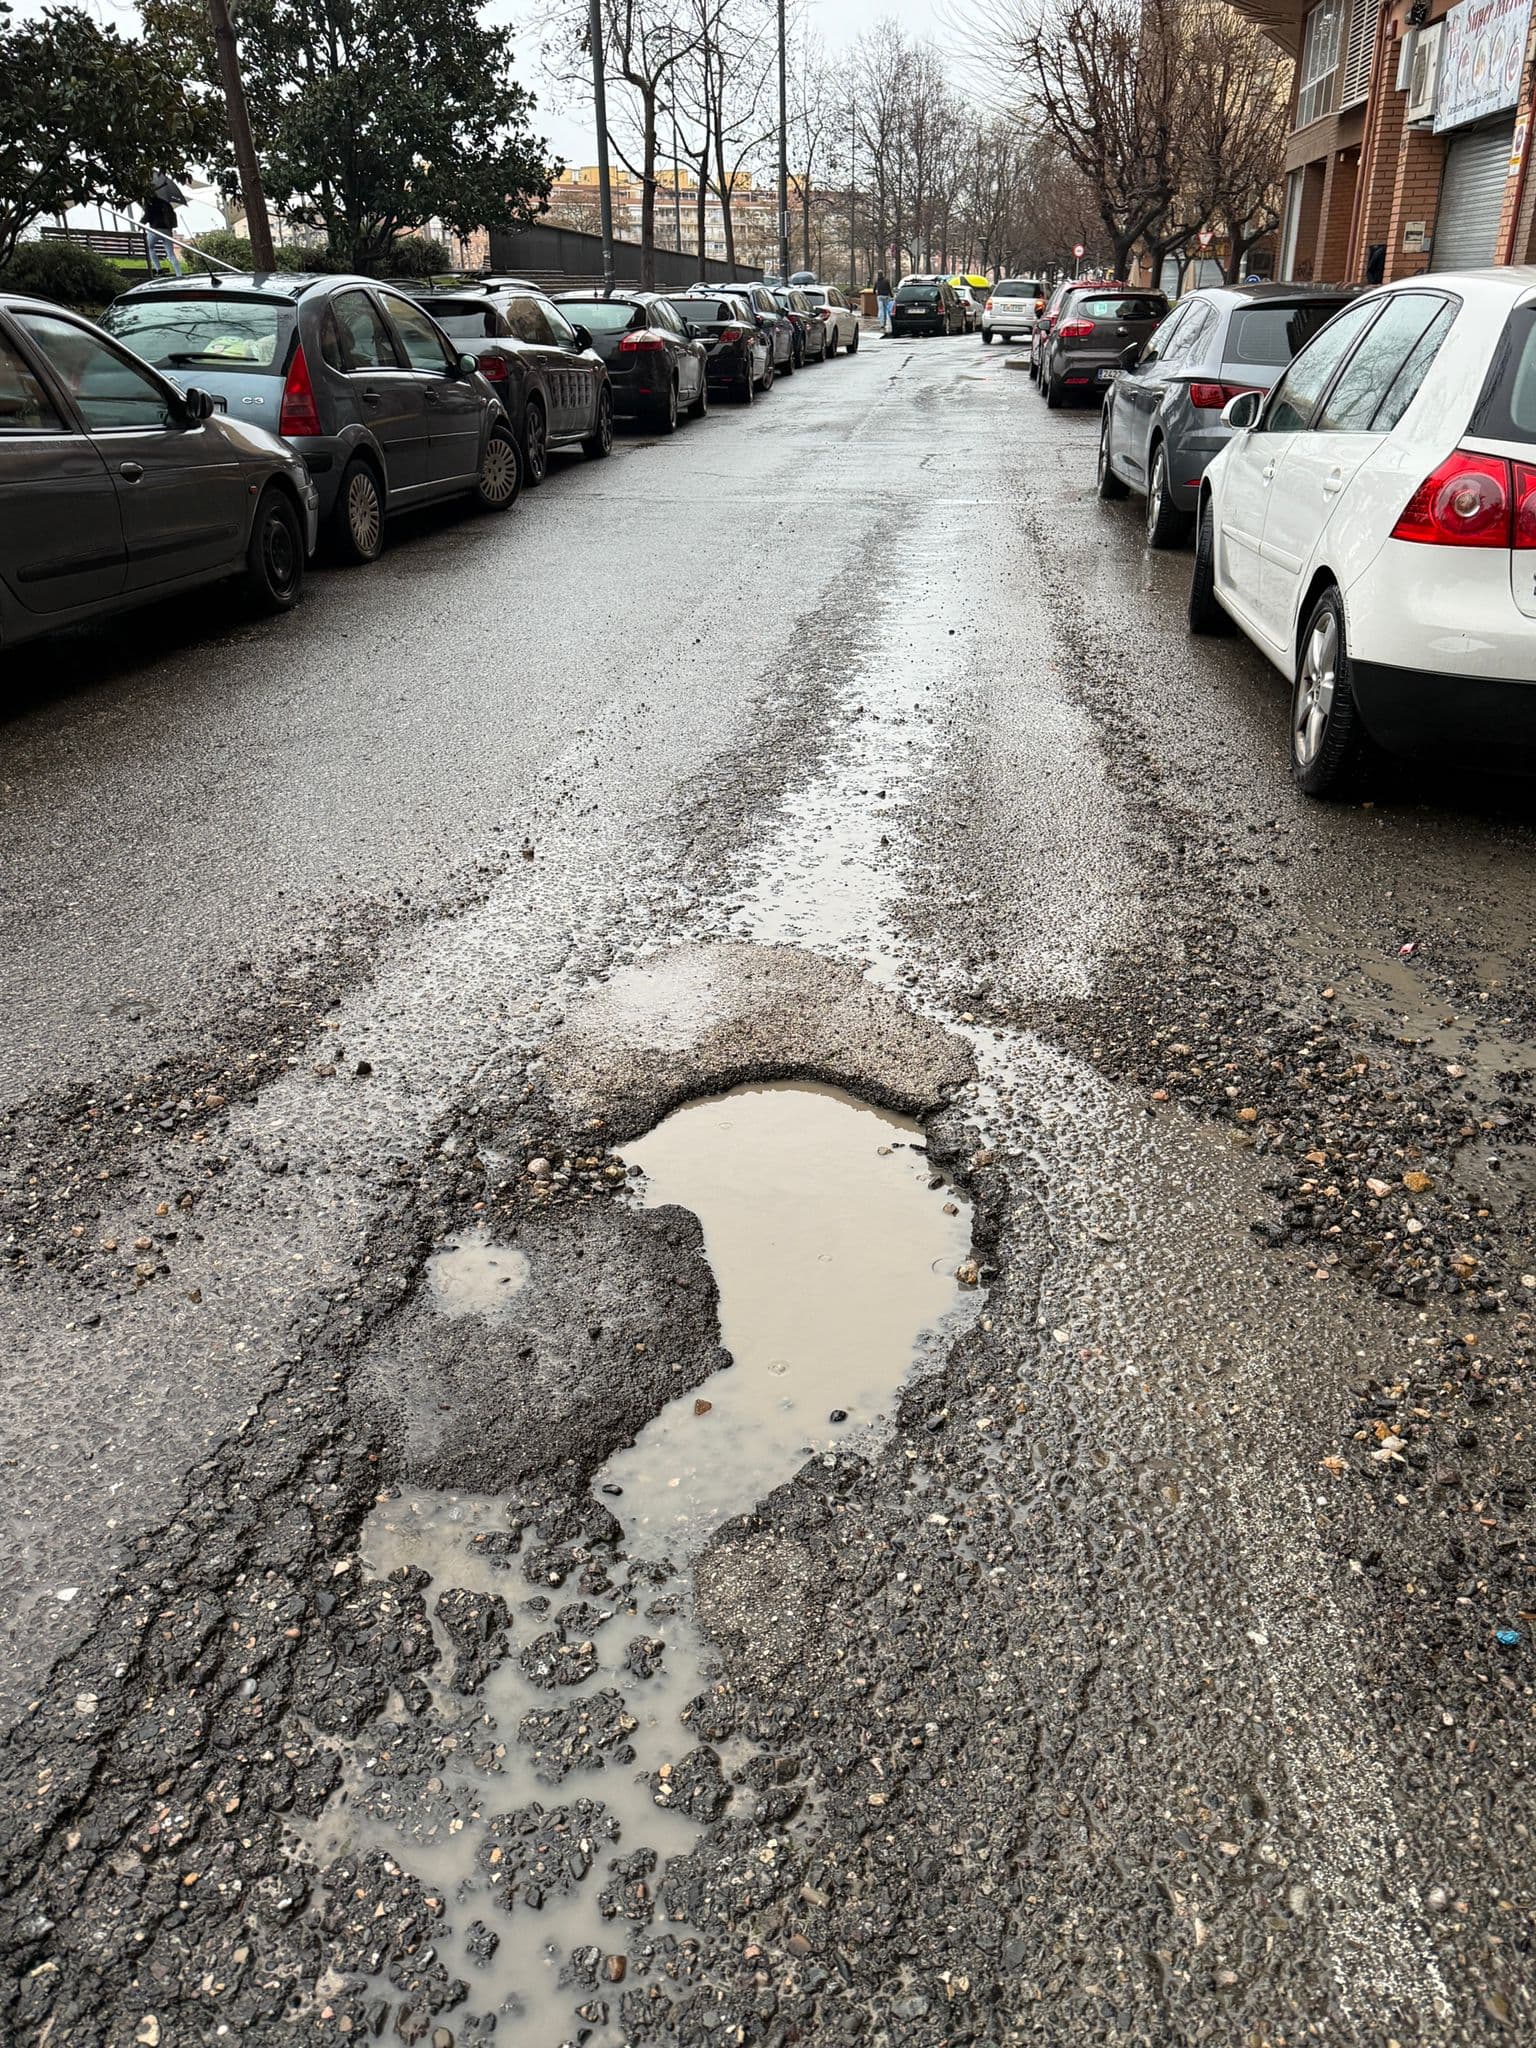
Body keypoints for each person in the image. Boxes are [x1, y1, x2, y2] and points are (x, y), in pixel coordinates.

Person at [144, 172, 186, 276]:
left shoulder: (150, 202)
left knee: (149, 247)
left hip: (156, 229)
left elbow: (147, 216)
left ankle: (158, 269)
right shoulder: (165, 203)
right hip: (167, 230)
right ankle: (179, 274)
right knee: (171, 253)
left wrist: (141, 222)